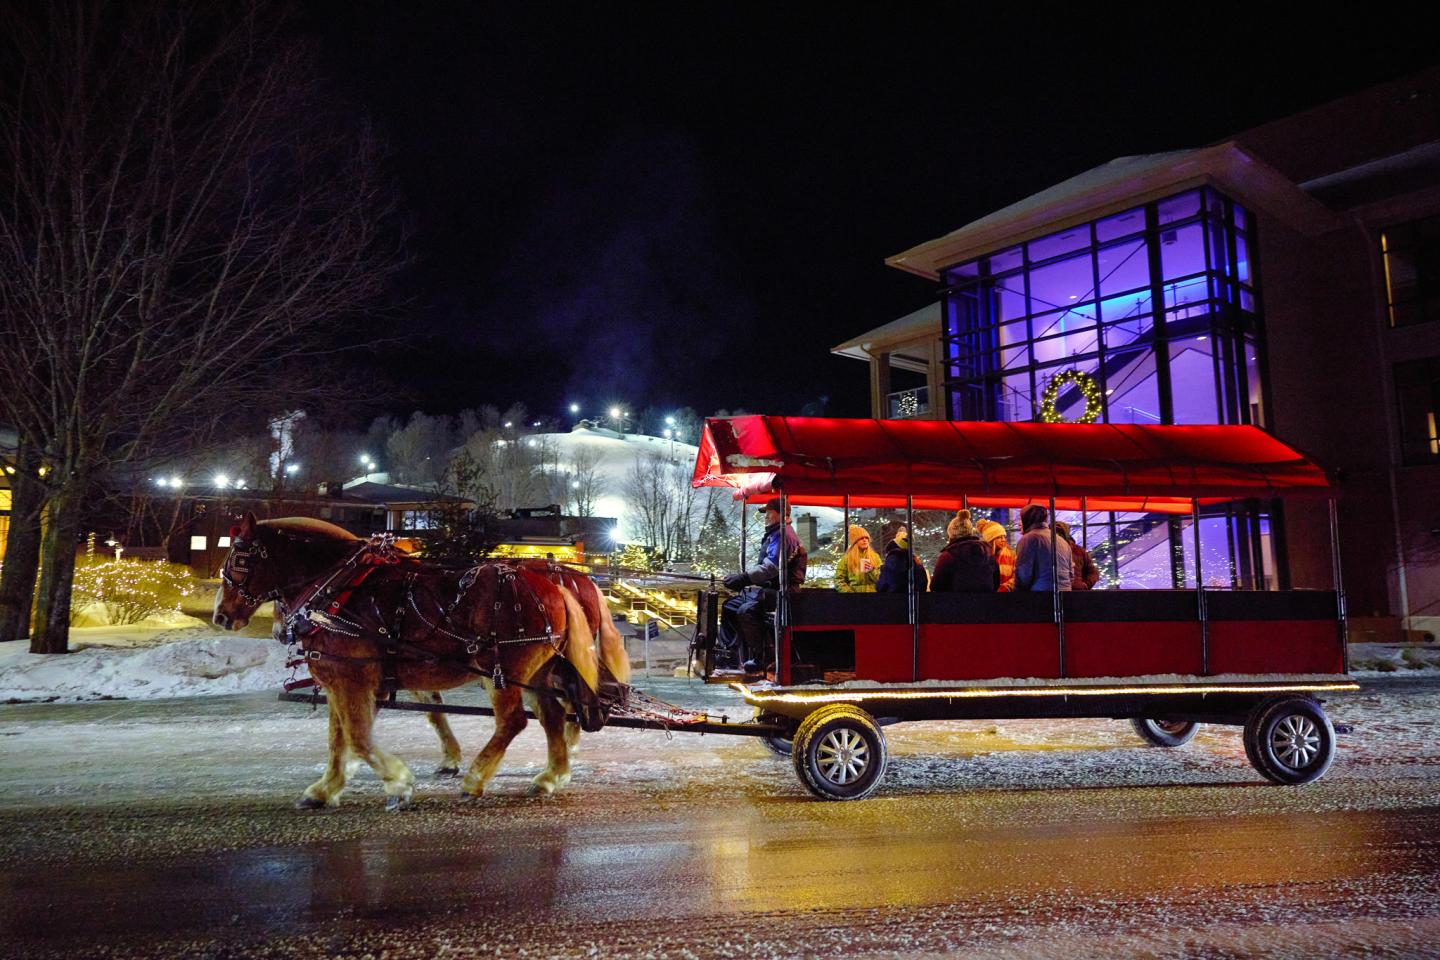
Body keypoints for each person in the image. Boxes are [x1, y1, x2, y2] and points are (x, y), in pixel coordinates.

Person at [719, 497, 807, 673]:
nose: (765, 516)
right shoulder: (775, 533)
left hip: (785, 593)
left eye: (769, 512)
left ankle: (763, 659)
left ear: (782, 514)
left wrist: (744, 578)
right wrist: (742, 579)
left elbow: (771, 568)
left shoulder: (785, 535)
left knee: (747, 611)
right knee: (730, 606)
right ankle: (729, 655)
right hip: (771, 590)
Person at [931, 510, 1000, 592]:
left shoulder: (947, 556)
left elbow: (936, 586)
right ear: (970, 531)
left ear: (951, 534)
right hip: (985, 602)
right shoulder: (987, 551)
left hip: (955, 603)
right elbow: (996, 580)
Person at [1013, 504, 1073, 593]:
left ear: (1028, 519)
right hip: (1065, 595)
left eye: (1021, 519)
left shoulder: (1029, 539)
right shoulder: (1060, 540)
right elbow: (1071, 574)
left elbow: (1023, 575)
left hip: (1041, 597)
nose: (1019, 524)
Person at [876, 524, 929, 593]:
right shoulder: (915, 560)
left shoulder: (892, 559)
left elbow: (883, 583)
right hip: (914, 599)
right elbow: (922, 582)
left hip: (894, 598)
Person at [1054, 520, 1100, 590]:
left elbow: (1093, 573)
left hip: (1072, 591)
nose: (1058, 536)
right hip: (1072, 590)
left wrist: (1085, 585)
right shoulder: (1078, 550)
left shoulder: (1079, 551)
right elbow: (1093, 572)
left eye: (1060, 533)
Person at [835, 524, 881, 593]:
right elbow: (838, 580)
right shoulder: (847, 559)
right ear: (855, 542)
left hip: (873, 597)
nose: (865, 540)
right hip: (855, 599)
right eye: (861, 538)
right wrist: (849, 593)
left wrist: (872, 570)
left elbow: (882, 578)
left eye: (866, 538)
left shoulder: (875, 556)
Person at [977, 519, 1017, 593]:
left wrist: (1005, 588)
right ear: (991, 540)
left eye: (1004, 537)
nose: (1003, 540)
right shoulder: (982, 556)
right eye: (999, 537)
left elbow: (1016, 576)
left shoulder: (1012, 555)